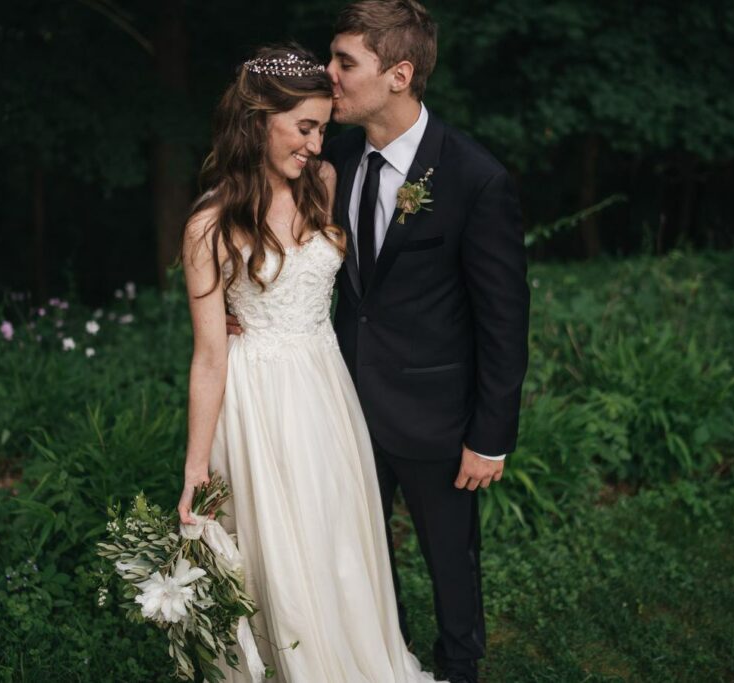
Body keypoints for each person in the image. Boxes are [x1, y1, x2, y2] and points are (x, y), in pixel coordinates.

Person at [178, 44, 442, 681]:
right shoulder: (209, 227)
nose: (317, 144)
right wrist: (193, 471)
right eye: (304, 128)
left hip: (326, 387)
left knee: (338, 539)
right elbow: (210, 357)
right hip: (259, 401)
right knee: (279, 550)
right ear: (257, 122)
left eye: (324, 128)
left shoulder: (325, 184)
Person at [320, 2, 531, 681]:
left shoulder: (475, 178)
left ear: (399, 74)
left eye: (344, 62)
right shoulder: (337, 155)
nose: (328, 75)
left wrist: (490, 433)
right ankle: (387, 662)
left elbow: (503, 318)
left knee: (450, 557)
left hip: (439, 417)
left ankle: (459, 667)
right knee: (361, 556)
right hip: (346, 403)